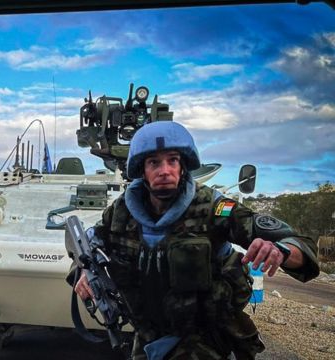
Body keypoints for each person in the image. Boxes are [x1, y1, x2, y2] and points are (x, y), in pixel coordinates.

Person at [72, 121, 319, 360]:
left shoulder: (214, 207)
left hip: (205, 337)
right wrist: (83, 270)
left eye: (173, 160)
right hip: (148, 335)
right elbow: (88, 243)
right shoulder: (121, 212)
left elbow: (297, 243)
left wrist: (281, 251)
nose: (165, 170)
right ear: (142, 170)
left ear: (183, 166)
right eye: (154, 162)